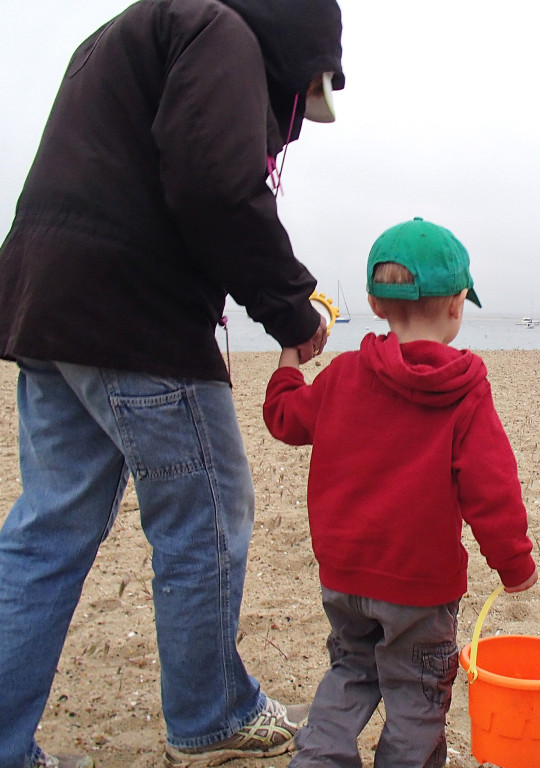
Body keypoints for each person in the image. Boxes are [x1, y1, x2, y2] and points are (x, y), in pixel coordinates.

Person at [0, 1, 345, 767]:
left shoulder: (129, 31)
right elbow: (215, 183)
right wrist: (291, 310)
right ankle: (210, 716)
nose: (287, 123)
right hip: (134, 315)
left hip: (45, 304)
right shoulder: (221, 31)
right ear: (296, 56)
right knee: (207, 520)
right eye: (297, 102)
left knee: (46, 534)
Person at [262, 217, 539, 768]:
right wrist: (515, 564)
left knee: (350, 671)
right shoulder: (465, 390)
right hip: (420, 588)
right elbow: (491, 487)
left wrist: (290, 361)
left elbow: (284, 418)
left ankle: (317, 759)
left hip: (344, 575)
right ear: (458, 305)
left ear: (373, 301)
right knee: (415, 697)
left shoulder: (343, 375)